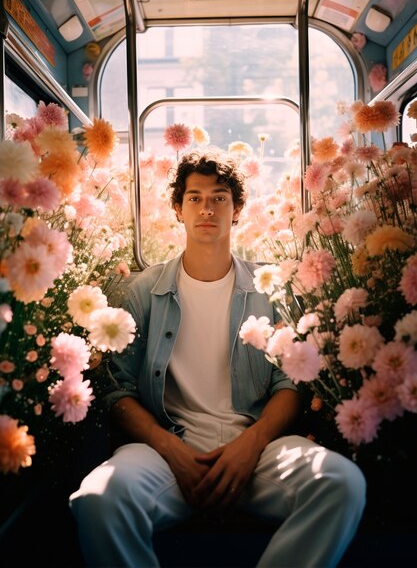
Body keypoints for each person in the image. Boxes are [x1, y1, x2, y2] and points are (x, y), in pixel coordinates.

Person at [69, 149, 366, 568]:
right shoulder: (142, 291)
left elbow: (289, 384)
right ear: (177, 209)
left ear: (237, 209)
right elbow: (120, 391)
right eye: (194, 197)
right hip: (167, 454)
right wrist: (170, 449)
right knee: (98, 499)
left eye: (219, 197)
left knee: (342, 483)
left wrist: (252, 444)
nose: (206, 208)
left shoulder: (272, 287)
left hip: (258, 450)